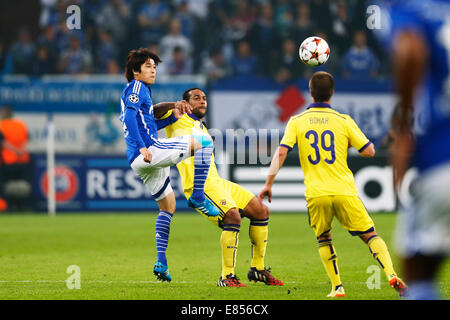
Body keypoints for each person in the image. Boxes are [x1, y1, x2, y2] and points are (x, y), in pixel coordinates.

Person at [259, 71, 406, 298]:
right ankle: (391, 274)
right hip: (344, 190)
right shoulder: (344, 120)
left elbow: (281, 152)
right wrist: (345, 144)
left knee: (324, 238)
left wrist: (269, 183)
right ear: (333, 93)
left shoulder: (296, 121)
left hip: (316, 193)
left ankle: (337, 287)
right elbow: (369, 151)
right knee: (370, 235)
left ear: (310, 92)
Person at [161, 88, 283, 287]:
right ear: (185, 102)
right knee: (232, 217)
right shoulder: (176, 117)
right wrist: (173, 105)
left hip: (217, 181)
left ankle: (257, 269)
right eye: (196, 98)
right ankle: (227, 277)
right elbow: (153, 112)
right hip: (199, 186)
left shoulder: (201, 126)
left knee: (261, 211)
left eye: (204, 98)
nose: (202, 101)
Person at [119, 48, 220, 282]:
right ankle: (198, 196)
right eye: (147, 66)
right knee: (206, 140)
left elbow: (148, 121)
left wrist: (171, 117)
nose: (153, 70)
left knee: (168, 207)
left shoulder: (142, 90)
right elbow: (131, 118)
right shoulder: (136, 88)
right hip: (148, 151)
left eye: (155, 66)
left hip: (140, 160)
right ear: (136, 70)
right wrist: (142, 146)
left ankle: (161, 263)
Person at [379, 0, 450, 300]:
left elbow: (410, 51)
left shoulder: (406, 8)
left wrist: (403, 125)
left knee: (417, 268)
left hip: (441, 155)